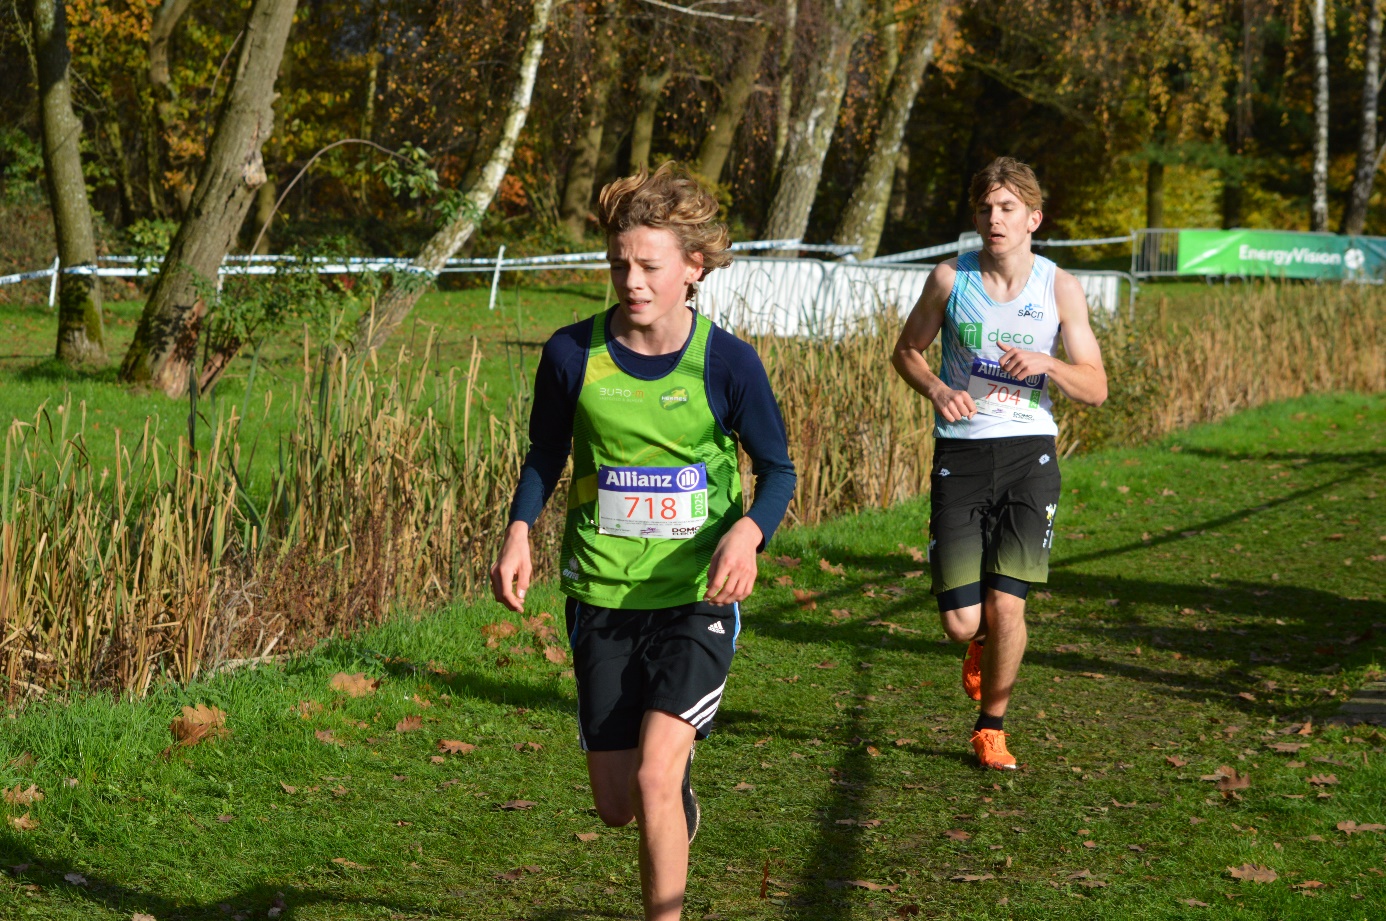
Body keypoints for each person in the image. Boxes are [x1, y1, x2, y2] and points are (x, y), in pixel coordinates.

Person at [490, 162, 795, 920]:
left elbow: (779, 469)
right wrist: (518, 529)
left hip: (696, 597)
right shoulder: (571, 355)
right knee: (618, 802)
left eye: (649, 265)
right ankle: (674, 794)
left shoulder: (728, 362)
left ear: (693, 266)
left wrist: (748, 534)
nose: (631, 280)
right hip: (602, 593)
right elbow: (545, 454)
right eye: (619, 263)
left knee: (655, 774)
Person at [890, 156, 1107, 770]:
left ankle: (991, 727)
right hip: (960, 450)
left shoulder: (1058, 287)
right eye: (986, 208)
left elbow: (1095, 387)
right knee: (963, 622)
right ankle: (979, 643)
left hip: (1029, 453)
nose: (995, 218)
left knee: (1008, 603)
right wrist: (937, 389)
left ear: (1034, 217)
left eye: (1008, 208)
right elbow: (906, 351)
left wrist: (1050, 365)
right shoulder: (948, 280)